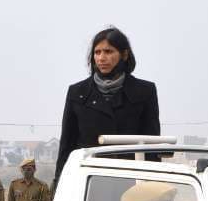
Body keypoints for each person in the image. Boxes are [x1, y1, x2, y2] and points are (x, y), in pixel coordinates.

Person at [54, 26, 160, 183]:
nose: (101, 58)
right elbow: (66, 146)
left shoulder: (145, 91)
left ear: (124, 54)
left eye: (109, 52)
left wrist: (154, 186)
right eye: (97, 52)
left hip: (132, 181)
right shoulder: (77, 92)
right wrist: (59, 184)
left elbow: (152, 146)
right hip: (89, 183)